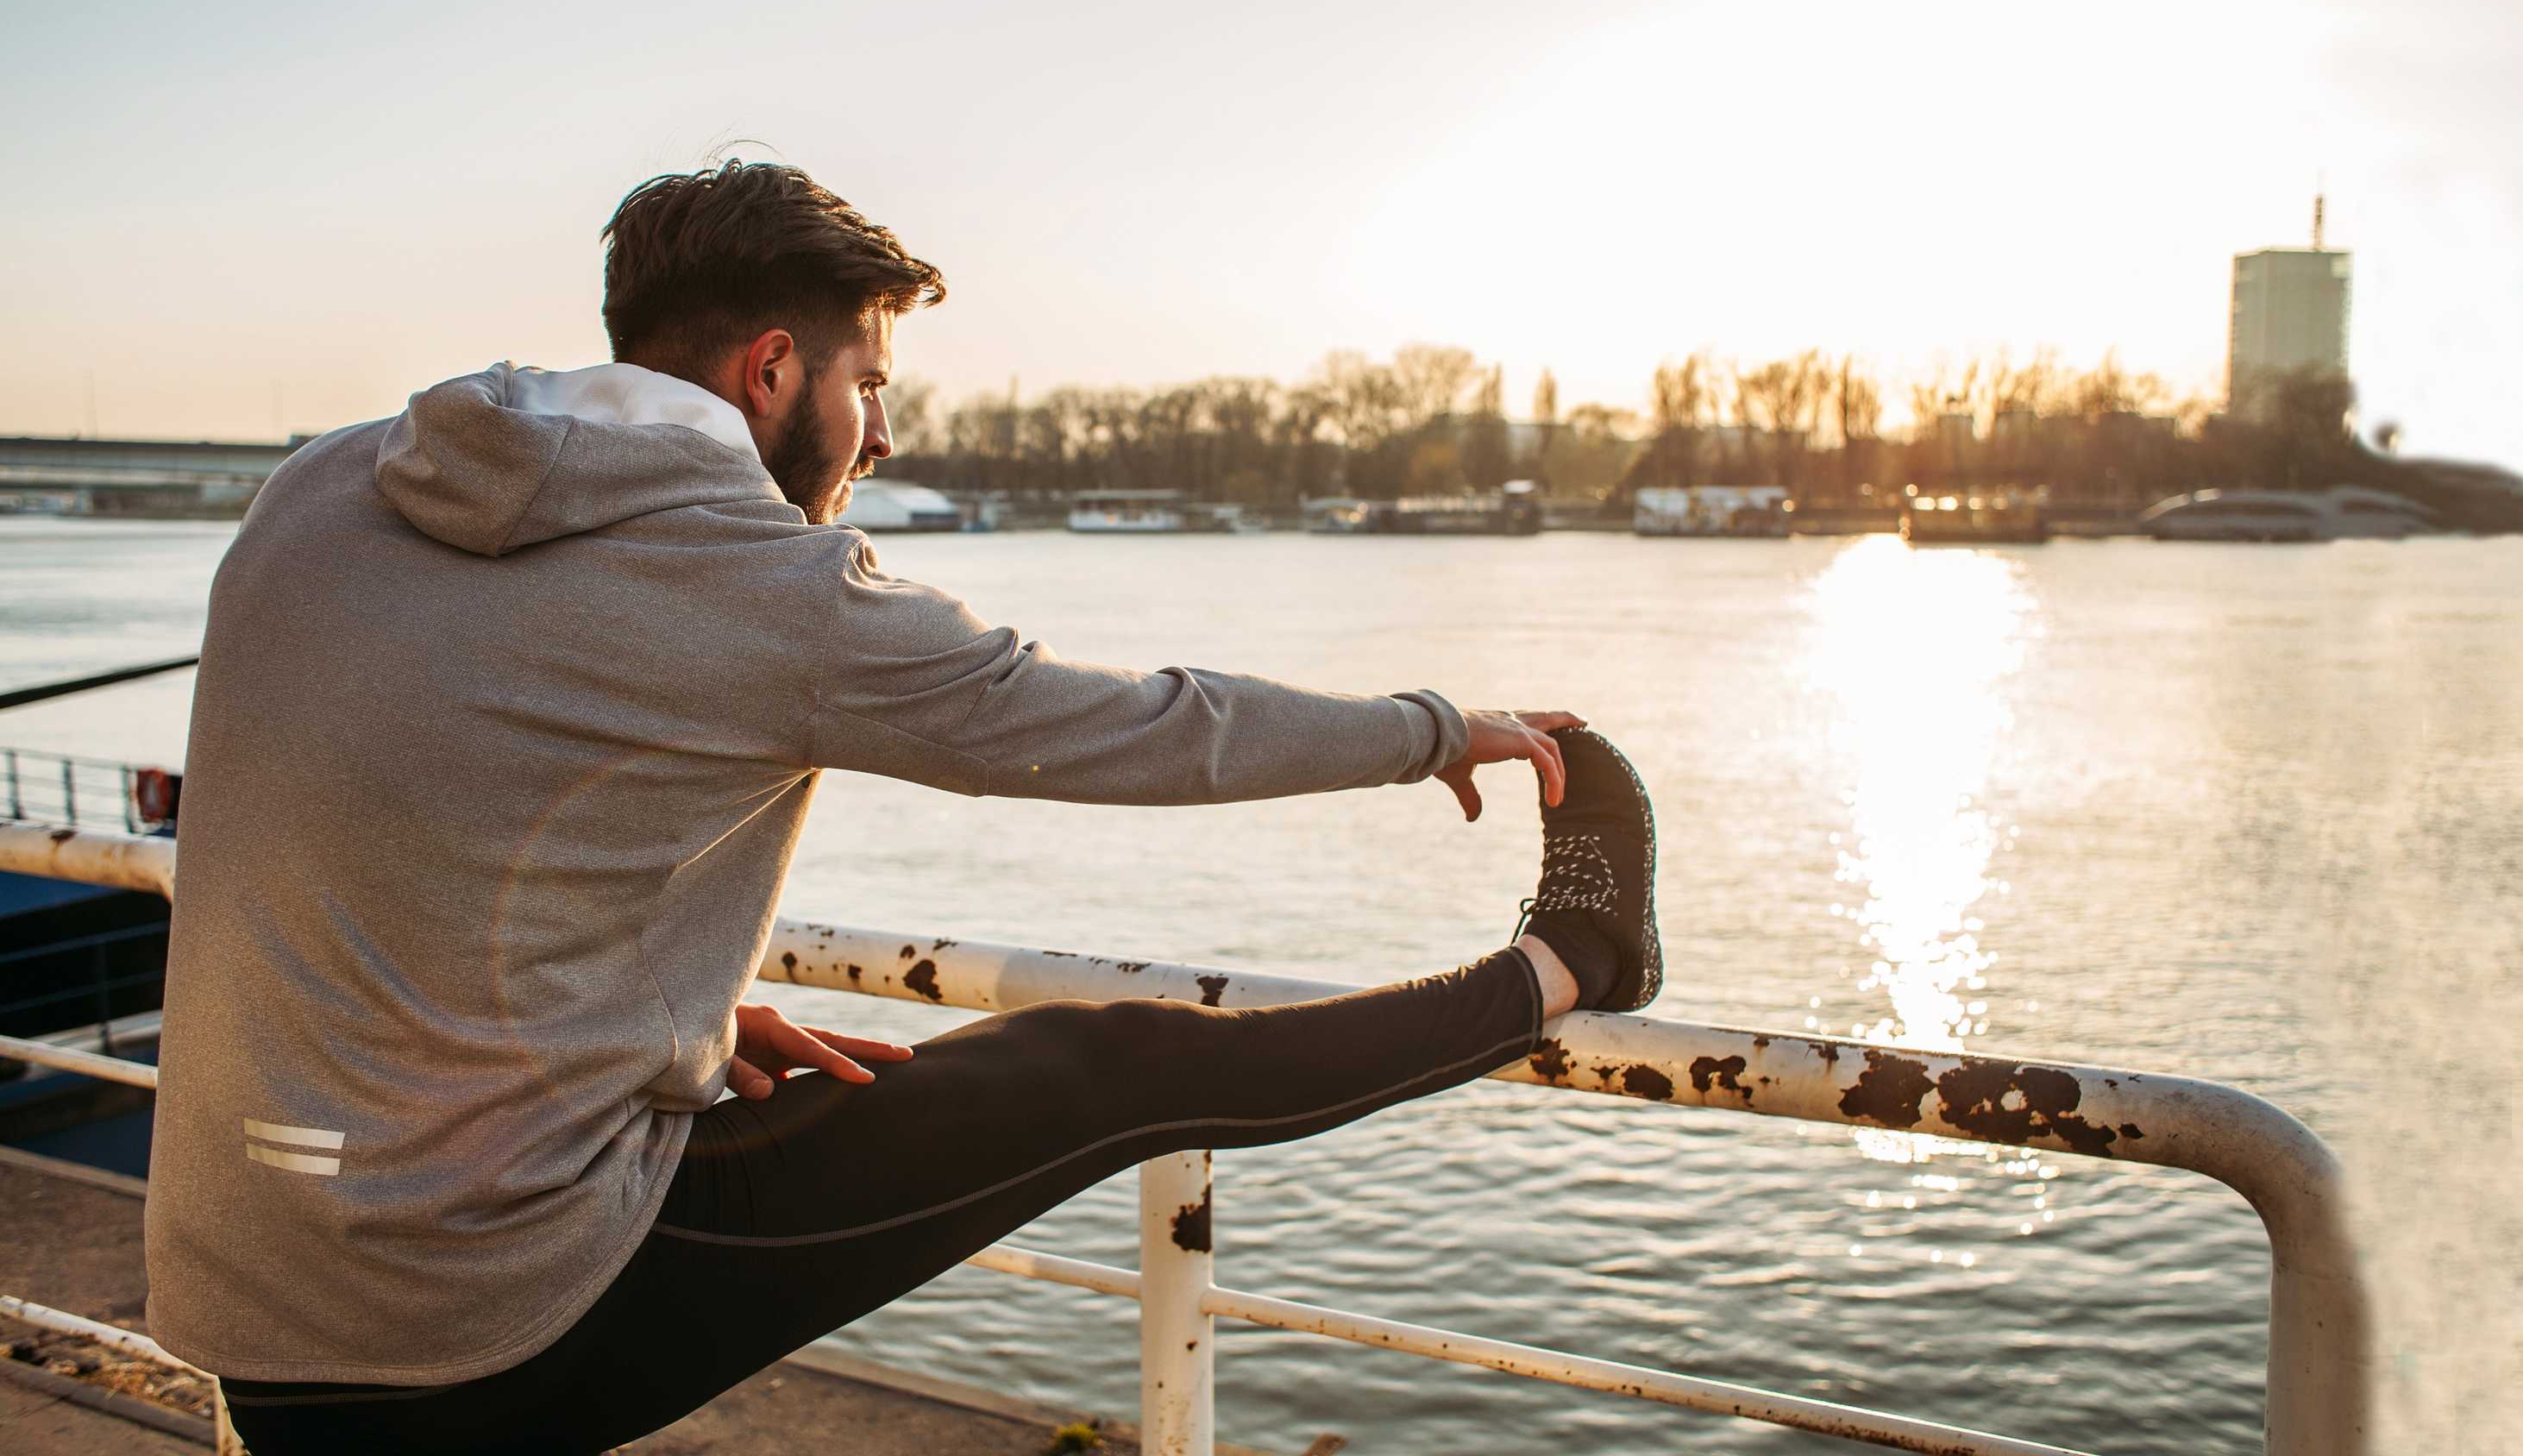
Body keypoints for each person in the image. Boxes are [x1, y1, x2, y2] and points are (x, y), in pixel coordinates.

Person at [142, 161, 1661, 1453]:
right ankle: (1570, 966)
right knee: (1108, 1067)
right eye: (868, 386)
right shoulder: (765, 590)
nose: (881, 439)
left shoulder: (325, 486)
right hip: (469, 1323)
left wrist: (661, 1018)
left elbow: (356, 817)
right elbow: (1133, 729)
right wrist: (1432, 731)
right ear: (769, 372)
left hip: (243, 1303)